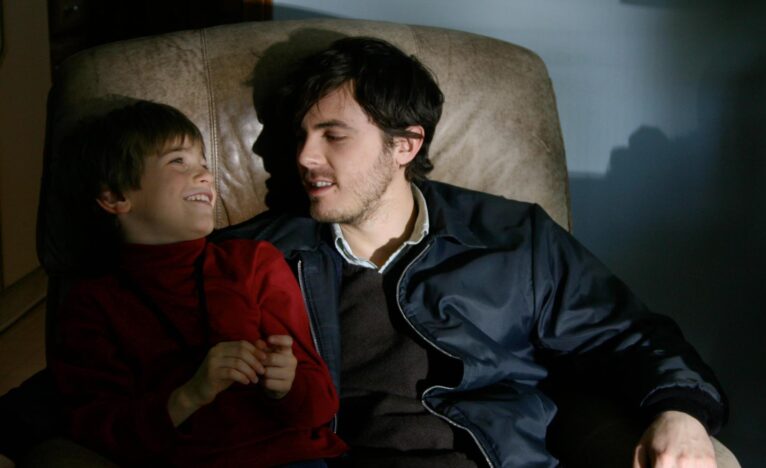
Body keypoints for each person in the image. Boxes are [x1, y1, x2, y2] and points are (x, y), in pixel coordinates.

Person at [214, 37, 729, 467]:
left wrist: (681, 411)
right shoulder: (256, 259)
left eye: (334, 136)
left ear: (405, 145)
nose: (305, 157)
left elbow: (626, 333)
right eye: (302, 136)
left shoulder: (513, 238)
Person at [41, 100, 347, 467]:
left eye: (204, 163)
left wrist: (286, 384)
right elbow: (96, 427)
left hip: (288, 458)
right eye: (178, 162)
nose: (205, 175)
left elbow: (321, 403)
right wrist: (188, 396)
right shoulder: (92, 304)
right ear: (116, 197)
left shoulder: (253, 263)